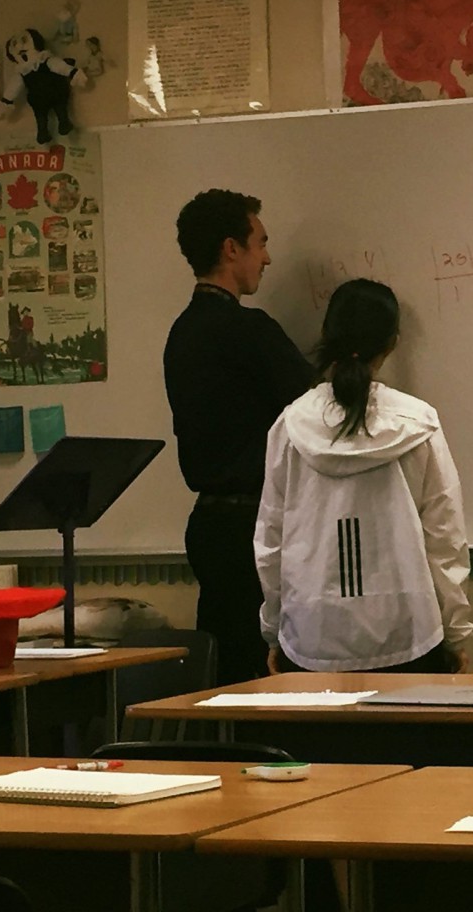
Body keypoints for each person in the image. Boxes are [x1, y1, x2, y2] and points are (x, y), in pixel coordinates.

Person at [256, 278, 473, 674]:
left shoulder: (290, 425)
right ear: (392, 343)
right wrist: (455, 631)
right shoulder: (418, 422)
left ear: (327, 335)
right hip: (408, 633)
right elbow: (444, 536)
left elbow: (271, 542)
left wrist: (274, 630)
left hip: (311, 635)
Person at [164, 189, 315, 685]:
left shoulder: (182, 332)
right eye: (261, 243)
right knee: (268, 675)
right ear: (232, 248)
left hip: (209, 527)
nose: (267, 258)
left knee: (225, 675)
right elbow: (316, 408)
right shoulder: (249, 330)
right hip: (255, 529)